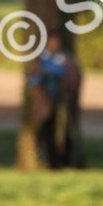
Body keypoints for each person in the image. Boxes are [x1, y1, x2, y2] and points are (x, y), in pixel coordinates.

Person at [28, 32, 84, 169]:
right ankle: (47, 159)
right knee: (45, 129)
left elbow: (74, 76)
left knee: (63, 130)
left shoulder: (65, 58)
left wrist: (64, 82)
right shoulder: (42, 58)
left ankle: (64, 160)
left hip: (61, 100)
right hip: (46, 101)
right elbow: (33, 77)